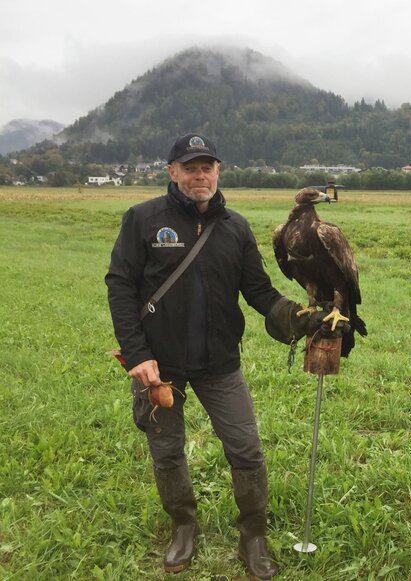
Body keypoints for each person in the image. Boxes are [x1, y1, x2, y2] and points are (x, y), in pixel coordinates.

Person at [106, 133, 328, 579]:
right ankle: (183, 526)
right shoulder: (143, 219)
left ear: (219, 171)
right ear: (172, 172)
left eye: (207, 166)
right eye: (190, 167)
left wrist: (296, 316)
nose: (200, 175)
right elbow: (121, 286)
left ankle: (253, 535)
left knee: (246, 449)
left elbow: (259, 292)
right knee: (166, 451)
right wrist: (136, 354)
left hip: (219, 361)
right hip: (159, 367)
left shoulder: (236, 227)